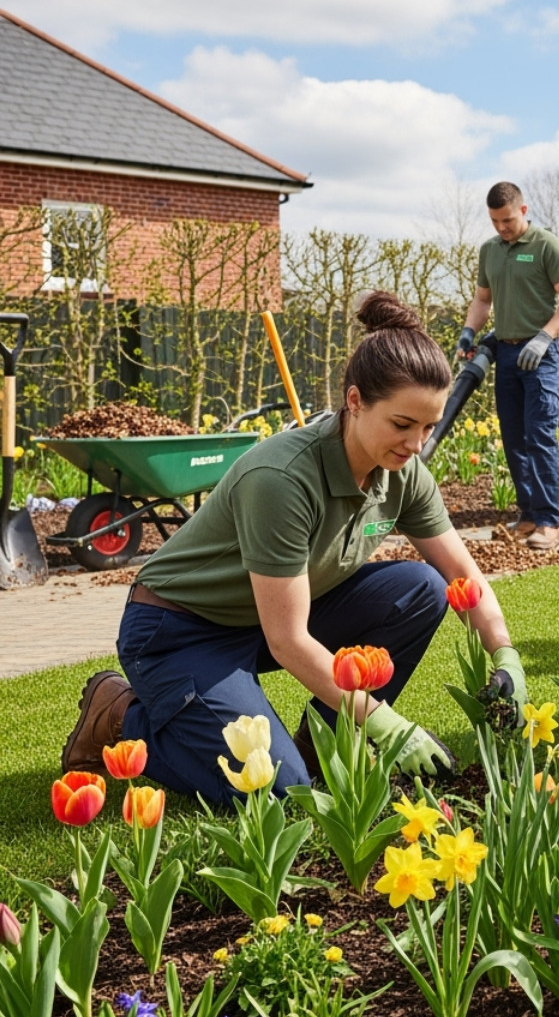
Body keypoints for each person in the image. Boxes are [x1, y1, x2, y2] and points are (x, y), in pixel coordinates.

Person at [60, 292, 529, 805]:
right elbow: (288, 641)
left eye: (428, 427)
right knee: (279, 794)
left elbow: (463, 576)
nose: (417, 444)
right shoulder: (282, 479)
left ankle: (321, 746)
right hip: (181, 630)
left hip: (267, 621)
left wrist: (505, 653)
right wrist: (387, 724)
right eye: (401, 424)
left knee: (421, 589)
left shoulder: (403, 472)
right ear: (355, 401)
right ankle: (119, 712)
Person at [457, 181, 559, 551]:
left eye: (508, 220)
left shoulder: (546, 245)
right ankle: (527, 515)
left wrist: (545, 337)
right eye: (495, 221)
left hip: (544, 354)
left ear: (523, 211)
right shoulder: (490, 251)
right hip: (508, 354)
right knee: (514, 439)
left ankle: (548, 522)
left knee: (539, 435)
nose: (502, 228)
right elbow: (483, 300)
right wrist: (469, 331)